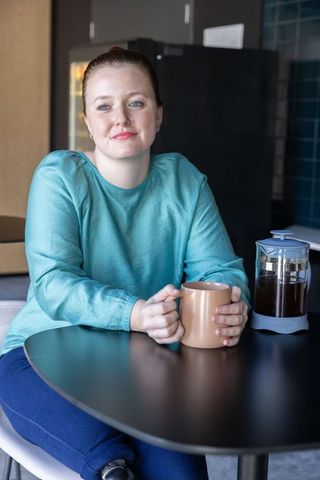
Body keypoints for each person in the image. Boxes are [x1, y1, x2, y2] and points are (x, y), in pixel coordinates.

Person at [0, 47, 249, 480]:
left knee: (183, 474)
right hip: (38, 354)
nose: (121, 118)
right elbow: (54, 282)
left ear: (159, 114)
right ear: (87, 122)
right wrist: (134, 312)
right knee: (111, 463)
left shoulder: (184, 180)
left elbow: (220, 271)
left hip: (139, 367)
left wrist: (234, 301)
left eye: (136, 103)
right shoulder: (60, 175)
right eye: (104, 106)